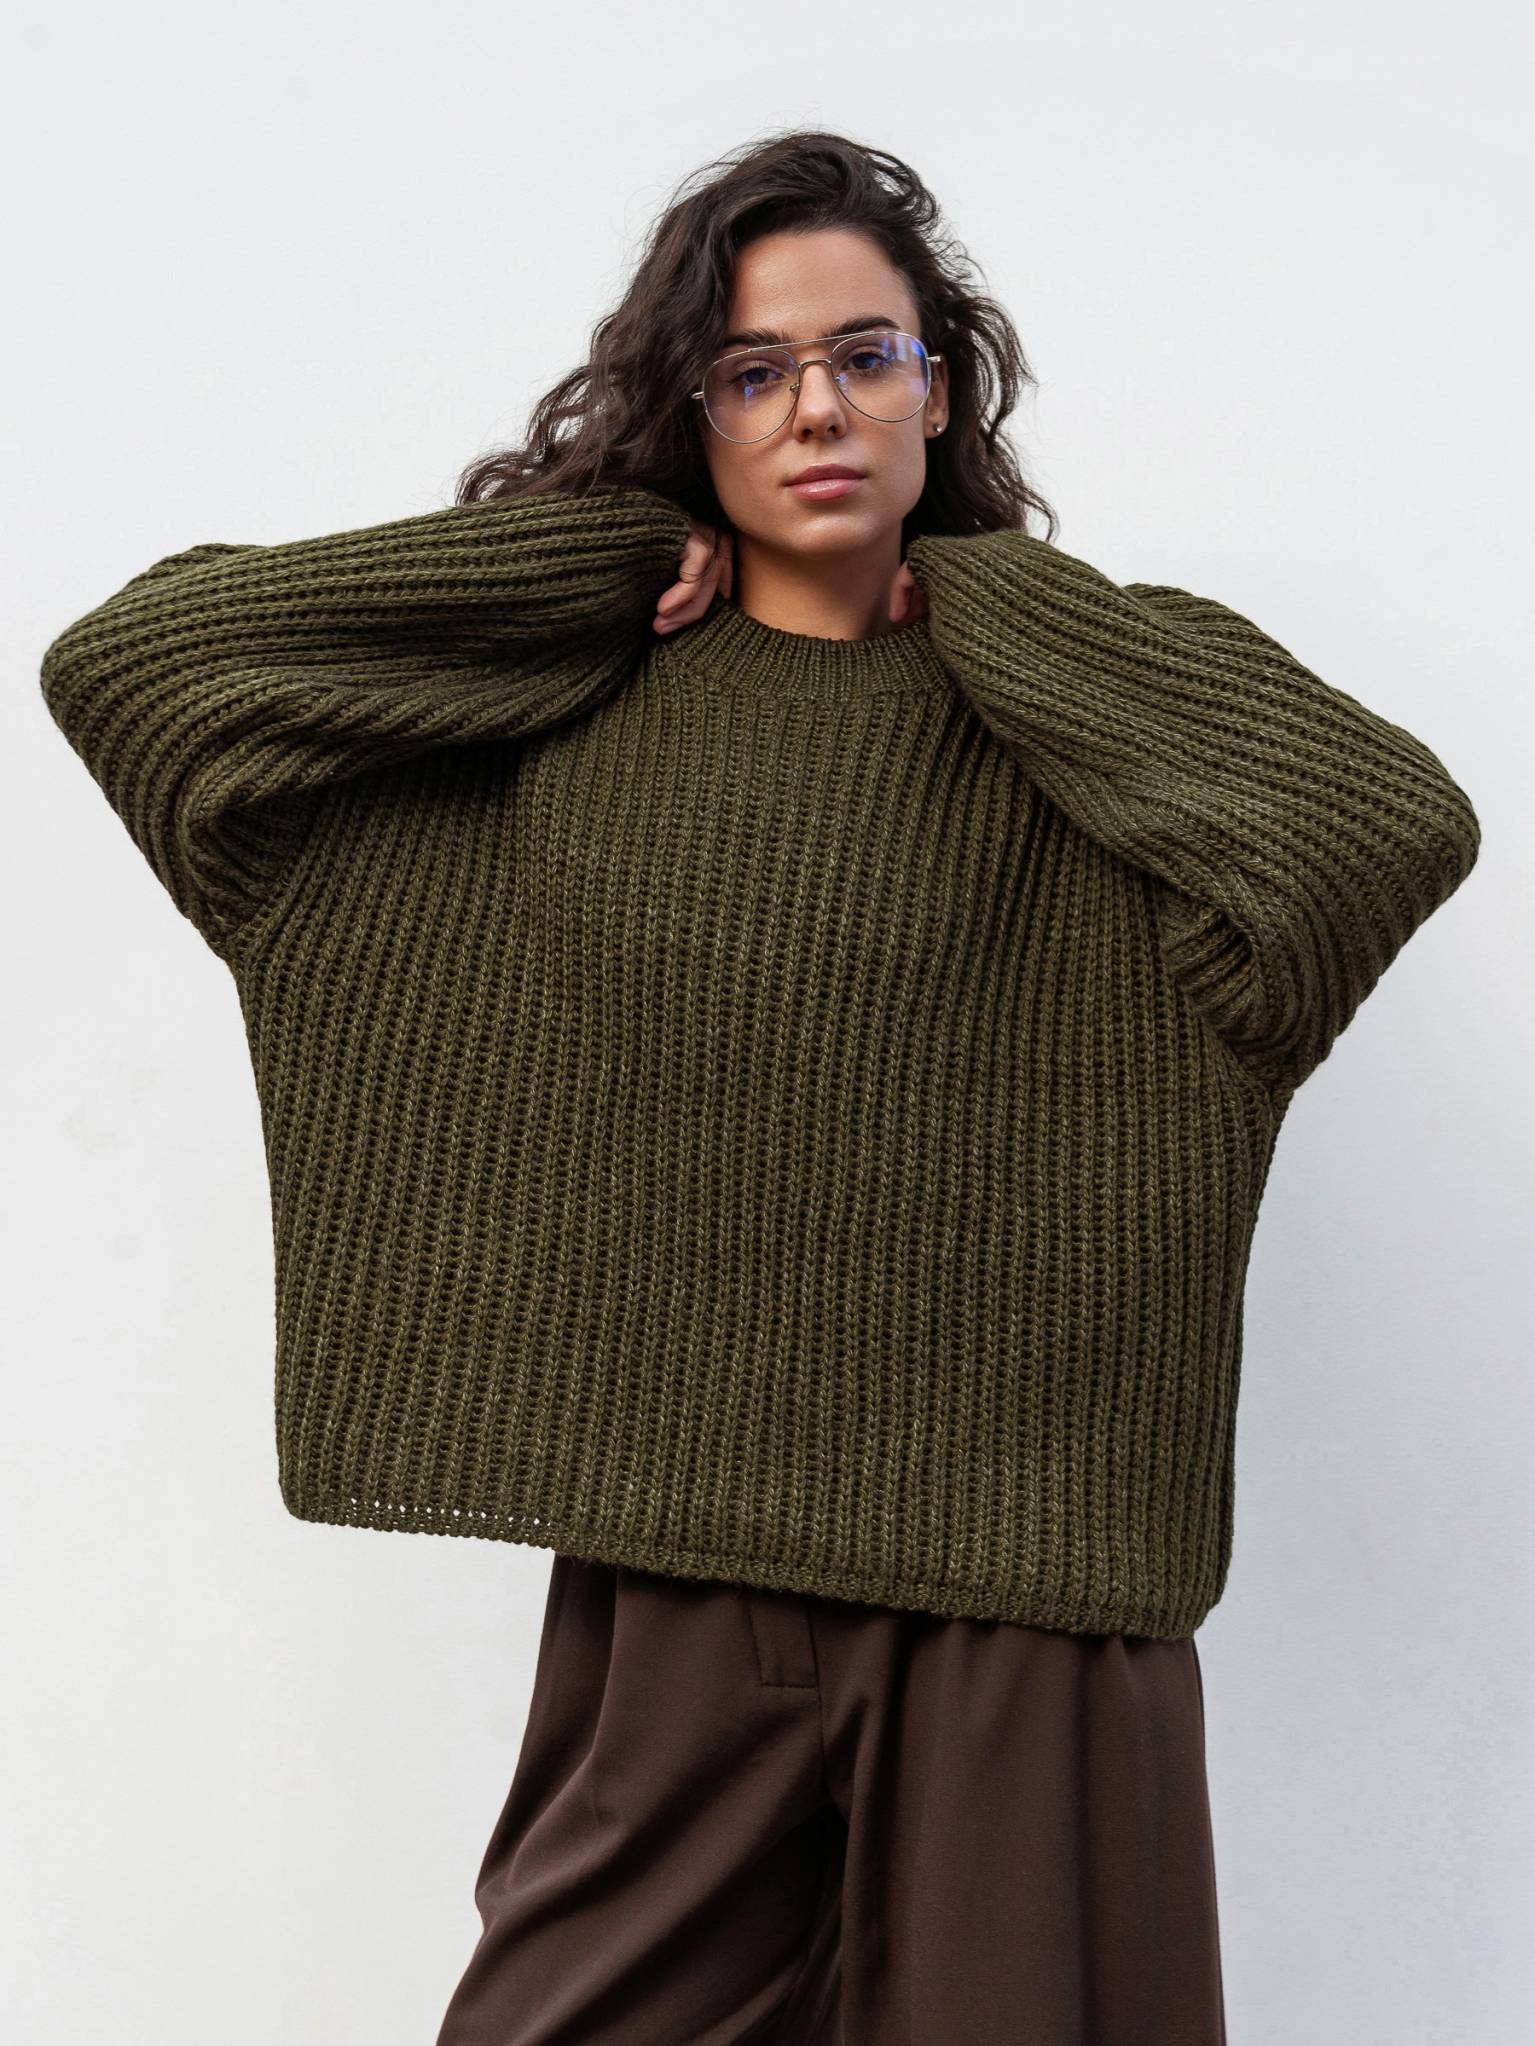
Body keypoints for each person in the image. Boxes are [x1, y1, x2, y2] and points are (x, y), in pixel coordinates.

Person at [39, 129, 1480, 2045]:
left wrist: (991, 601)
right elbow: (146, 672)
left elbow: (1383, 828)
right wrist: (584, 563)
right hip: (677, 1582)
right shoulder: (579, 732)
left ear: (938, 389)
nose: (818, 406)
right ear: (690, 410)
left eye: (868, 357)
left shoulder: (1077, 731)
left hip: (1032, 1588)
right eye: (752, 370)